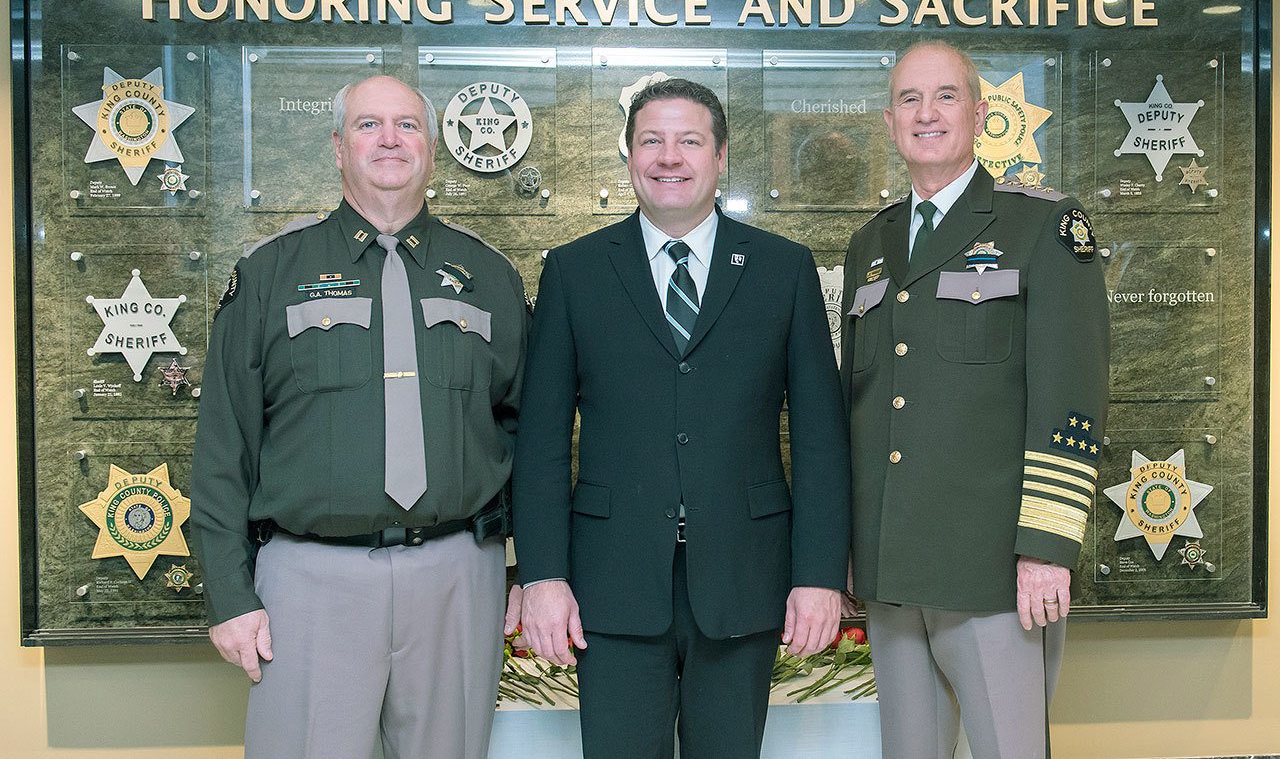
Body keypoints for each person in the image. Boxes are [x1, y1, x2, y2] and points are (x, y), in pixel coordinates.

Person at [511, 78, 851, 759]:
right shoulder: (575, 272)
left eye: (689, 141)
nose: (669, 157)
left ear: (720, 156)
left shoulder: (783, 268)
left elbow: (820, 439)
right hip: (611, 580)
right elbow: (541, 440)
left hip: (744, 577)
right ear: (630, 156)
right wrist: (542, 575)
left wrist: (818, 575)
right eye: (652, 141)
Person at [191, 75, 528, 759]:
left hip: (457, 576)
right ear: (338, 147)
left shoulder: (491, 275)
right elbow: (224, 444)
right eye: (369, 124)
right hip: (310, 579)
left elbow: (527, 433)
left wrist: (529, 571)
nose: (389, 140)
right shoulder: (270, 271)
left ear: (432, 148)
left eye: (408, 125)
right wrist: (228, 592)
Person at [841, 41, 1108, 758]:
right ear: (890, 122)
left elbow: (1072, 396)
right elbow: (860, 408)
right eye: (909, 99)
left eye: (945, 96)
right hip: (892, 572)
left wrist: (1046, 549)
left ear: (981, 115)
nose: (926, 113)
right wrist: (848, 548)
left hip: (994, 571)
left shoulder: (1041, 226)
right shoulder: (870, 242)